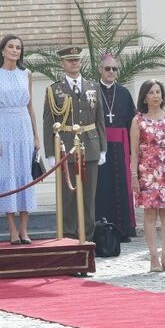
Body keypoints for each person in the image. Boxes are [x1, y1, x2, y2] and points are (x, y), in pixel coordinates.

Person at [42, 47, 106, 242]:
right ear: (62, 63)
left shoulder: (93, 87)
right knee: (68, 197)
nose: (74, 63)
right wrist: (51, 153)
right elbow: (48, 122)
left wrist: (103, 147)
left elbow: (100, 119)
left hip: (90, 146)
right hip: (66, 147)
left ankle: (86, 238)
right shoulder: (54, 90)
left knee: (88, 197)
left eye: (77, 60)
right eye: (69, 60)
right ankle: (69, 238)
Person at [0, 35, 42, 245]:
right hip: (4, 126)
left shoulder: (26, 74)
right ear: (2, 50)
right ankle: (12, 230)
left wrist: (36, 136)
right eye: (10, 46)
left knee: (24, 175)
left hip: (24, 126)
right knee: (7, 174)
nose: (14, 50)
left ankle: (24, 230)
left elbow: (30, 107)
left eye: (18, 47)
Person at [130, 80, 165, 272]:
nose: (155, 96)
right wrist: (134, 177)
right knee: (150, 214)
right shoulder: (138, 120)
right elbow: (134, 152)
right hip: (147, 172)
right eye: (151, 92)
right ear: (144, 97)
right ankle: (153, 258)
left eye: (158, 92)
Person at [96, 53, 136, 239]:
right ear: (100, 70)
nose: (111, 72)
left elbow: (132, 123)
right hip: (99, 146)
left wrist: (133, 150)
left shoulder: (124, 92)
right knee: (102, 188)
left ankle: (123, 230)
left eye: (114, 69)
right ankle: (102, 228)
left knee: (121, 187)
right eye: (107, 68)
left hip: (120, 146)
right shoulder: (93, 91)